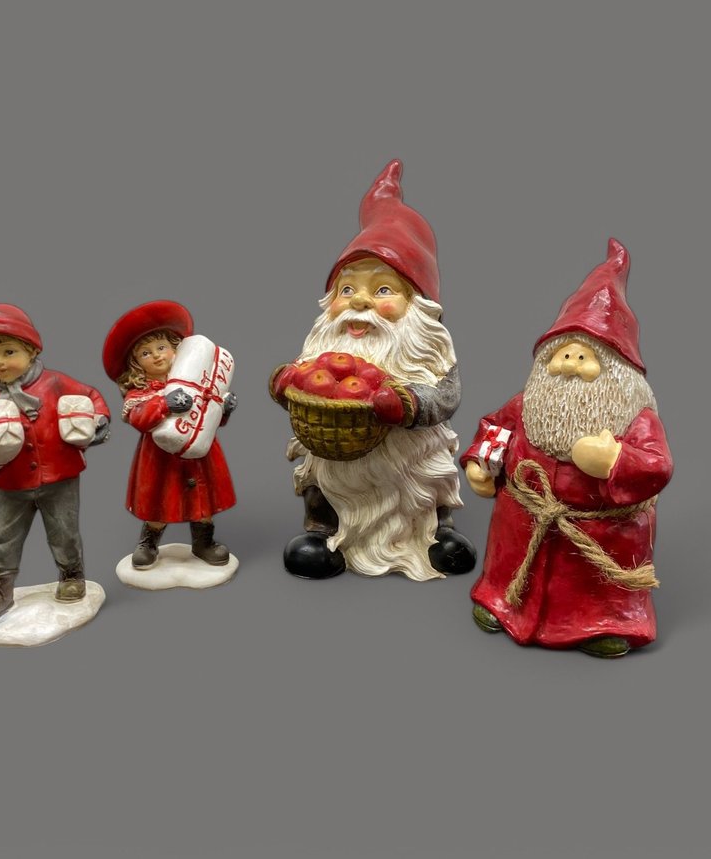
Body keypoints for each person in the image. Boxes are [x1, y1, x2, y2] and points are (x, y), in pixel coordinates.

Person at [462, 239, 673, 657]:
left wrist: (614, 461)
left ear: (618, 372)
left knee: (593, 592)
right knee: (509, 572)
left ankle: (604, 625)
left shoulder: (636, 418)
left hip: (599, 535)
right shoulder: (527, 404)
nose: (570, 364)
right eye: (563, 352)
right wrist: (481, 465)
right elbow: (495, 428)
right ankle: (501, 602)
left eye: (586, 356)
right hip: (522, 523)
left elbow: (657, 465)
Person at [271, 159, 476, 581]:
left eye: (382, 289)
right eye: (347, 289)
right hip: (337, 462)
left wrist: (408, 402)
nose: (360, 302)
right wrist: (285, 382)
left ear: (416, 306)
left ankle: (433, 532)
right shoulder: (324, 349)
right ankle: (323, 530)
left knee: (428, 477)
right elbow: (302, 378)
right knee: (320, 477)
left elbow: (446, 397)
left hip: (409, 464)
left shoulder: (431, 353)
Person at [0, 303, 111, 621]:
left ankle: (71, 575)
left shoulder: (55, 382)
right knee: (3, 537)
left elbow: (92, 396)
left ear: (32, 350)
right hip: (11, 482)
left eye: (9, 352)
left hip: (60, 477)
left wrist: (99, 421)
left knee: (64, 531)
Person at [102, 301, 236, 568]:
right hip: (161, 458)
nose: (157, 356)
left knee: (201, 500)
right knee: (160, 501)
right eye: (146, 353)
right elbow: (138, 417)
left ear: (176, 349)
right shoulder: (141, 392)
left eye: (161, 347)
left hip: (199, 455)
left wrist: (223, 409)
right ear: (136, 365)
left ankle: (203, 542)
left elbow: (207, 417)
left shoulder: (195, 380)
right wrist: (164, 403)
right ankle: (149, 542)